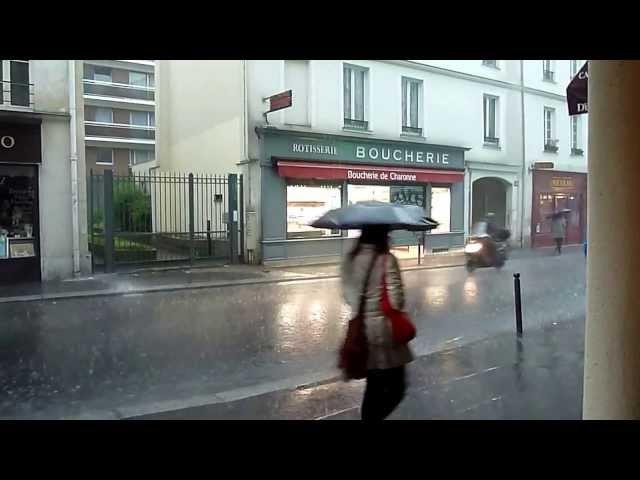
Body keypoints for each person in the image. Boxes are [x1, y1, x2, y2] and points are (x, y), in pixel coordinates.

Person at [341, 226, 413, 421]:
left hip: (361, 331)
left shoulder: (350, 258)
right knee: (397, 388)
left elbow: (348, 297)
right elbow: (397, 301)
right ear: (383, 235)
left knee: (373, 385)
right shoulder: (386, 260)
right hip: (384, 332)